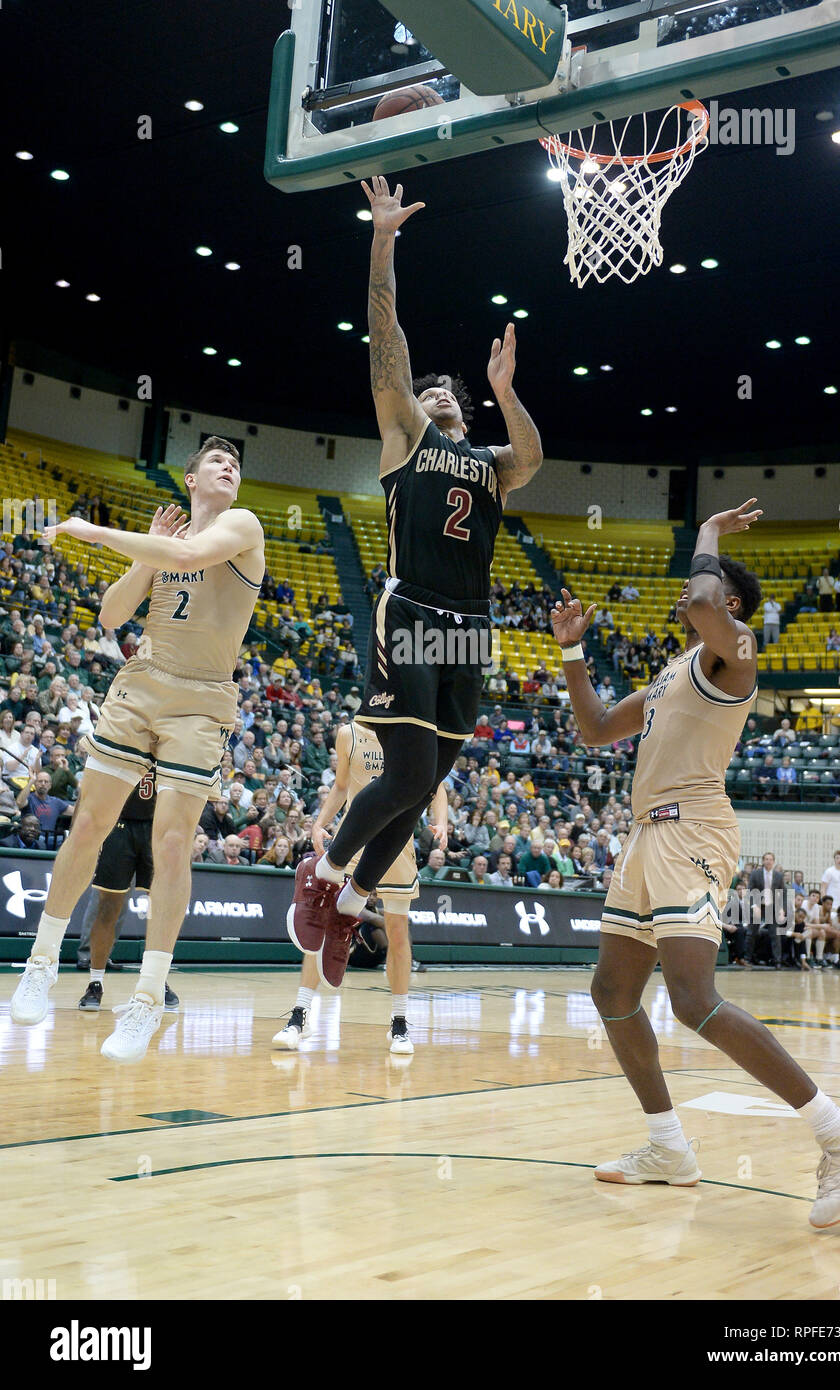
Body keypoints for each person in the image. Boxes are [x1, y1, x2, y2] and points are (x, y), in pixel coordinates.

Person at [550, 497, 840, 1229]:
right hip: (645, 836)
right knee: (612, 988)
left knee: (693, 999)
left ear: (729, 605)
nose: (683, 596)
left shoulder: (734, 655)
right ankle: (668, 1146)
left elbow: (702, 593)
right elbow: (597, 728)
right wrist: (573, 653)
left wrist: (708, 529)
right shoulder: (678, 671)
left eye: (698, 590)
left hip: (691, 830)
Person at [293, 176, 542, 958]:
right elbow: (385, 335)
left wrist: (503, 390)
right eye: (425, 388)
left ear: (463, 410)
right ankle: (325, 872)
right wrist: (382, 237)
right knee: (403, 773)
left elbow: (533, 455)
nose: (433, 393)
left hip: (470, 627)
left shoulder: (489, 460)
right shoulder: (406, 435)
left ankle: (354, 902)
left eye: (446, 391)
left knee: (425, 781)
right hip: (411, 609)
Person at [11, 443, 264, 1063]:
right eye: (215, 460)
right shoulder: (164, 541)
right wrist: (143, 556)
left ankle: (147, 997)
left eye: (235, 462)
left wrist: (93, 532)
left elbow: (185, 554)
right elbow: (110, 615)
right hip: (142, 681)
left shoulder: (242, 526)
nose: (228, 466)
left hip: (201, 701)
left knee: (173, 844)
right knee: (90, 823)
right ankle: (41, 961)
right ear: (190, 478)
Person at [277, 718, 448, 1056]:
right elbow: (341, 787)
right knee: (322, 924)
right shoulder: (348, 734)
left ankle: (399, 1023)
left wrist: (440, 821)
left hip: (399, 844)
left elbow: (436, 784)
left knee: (398, 932)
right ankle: (300, 1015)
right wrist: (320, 823)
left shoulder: (410, 731)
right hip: (354, 838)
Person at [76, 767, 179, 1012]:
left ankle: (156, 980)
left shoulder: (171, 738)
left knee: (160, 910)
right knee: (108, 907)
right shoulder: (125, 733)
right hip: (118, 825)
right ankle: (95, 982)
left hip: (158, 827)